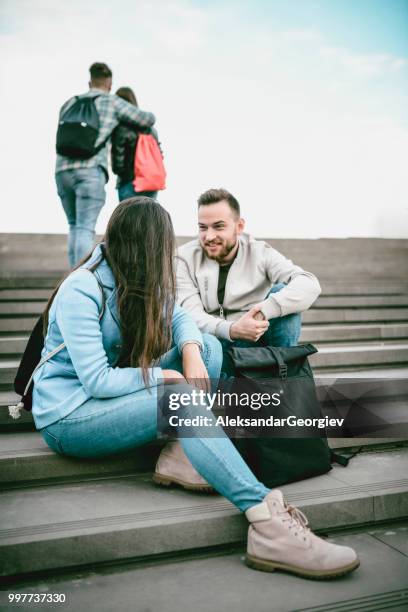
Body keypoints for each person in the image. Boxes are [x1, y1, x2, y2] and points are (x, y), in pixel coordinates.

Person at [32, 197, 359, 580]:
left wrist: (189, 351)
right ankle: (265, 519)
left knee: (208, 349)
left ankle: (179, 454)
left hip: (116, 397)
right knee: (178, 396)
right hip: (70, 416)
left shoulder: (135, 277)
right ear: (148, 247)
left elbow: (181, 316)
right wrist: (166, 377)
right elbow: (98, 381)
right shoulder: (81, 289)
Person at [176, 188, 322, 373]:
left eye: (219, 226)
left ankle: (283, 376)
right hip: (211, 344)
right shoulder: (183, 258)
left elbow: (309, 283)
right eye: (203, 227)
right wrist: (231, 329)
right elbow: (190, 315)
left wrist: (264, 311)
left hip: (254, 340)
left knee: (282, 291)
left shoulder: (260, 252)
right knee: (205, 339)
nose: (209, 236)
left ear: (239, 226)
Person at [55, 62, 156, 268]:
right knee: (85, 227)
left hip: (62, 171)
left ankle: (71, 274)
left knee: (73, 226)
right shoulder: (111, 102)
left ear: (89, 81)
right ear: (109, 84)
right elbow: (147, 118)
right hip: (90, 170)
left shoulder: (69, 103)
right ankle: (79, 274)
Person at [111, 87, 161, 201]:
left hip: (130, 182)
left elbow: (118, 164)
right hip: (151, 181)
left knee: (128, 217)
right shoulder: (151, 129)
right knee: (150, 216)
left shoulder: (121, 129)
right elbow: (159, 155)